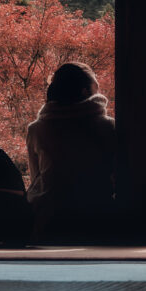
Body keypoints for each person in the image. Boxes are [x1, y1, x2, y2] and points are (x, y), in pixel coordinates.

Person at [26, 62, 117, 244]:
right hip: (97, 219)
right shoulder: (108, 127)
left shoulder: (37, 129)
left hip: (49, 220)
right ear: (86, 91)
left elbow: (36, 178)